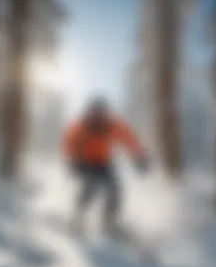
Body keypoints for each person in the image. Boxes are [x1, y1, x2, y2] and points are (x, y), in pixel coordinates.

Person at [62, 97, 150, 236]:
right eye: (95, 112)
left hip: (103, 162)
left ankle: (109, 220)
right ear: (90, 112)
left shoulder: (111, 125)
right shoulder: (81, 126)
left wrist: (139, 157)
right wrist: (72, 161)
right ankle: (78, 216)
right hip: (84, 162)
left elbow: (128, 138)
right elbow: (69, 142)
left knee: (114, 188)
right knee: (90, 186)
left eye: (101, 112)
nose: (98, 115)